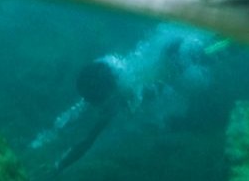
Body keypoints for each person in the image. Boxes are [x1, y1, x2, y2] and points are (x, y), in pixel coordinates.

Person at [27, 24, 228, 177]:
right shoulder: (113, 81)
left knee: (205, 51)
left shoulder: (123, 90)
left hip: (177, 57)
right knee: (201, 49)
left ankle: (217, 41)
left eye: (96, 101)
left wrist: (56, 162)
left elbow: (87, 137)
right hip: (174, 56)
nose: (93, 105)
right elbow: (80, 125)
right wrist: (50, 150)